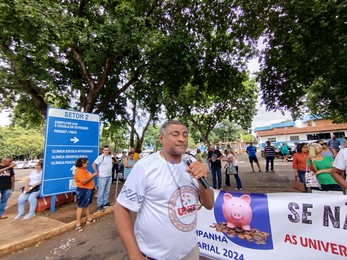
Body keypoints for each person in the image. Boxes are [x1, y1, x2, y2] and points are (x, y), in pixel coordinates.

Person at [114, 120, 214, 260]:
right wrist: (134, 254)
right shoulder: (145, 167)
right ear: (161, 138)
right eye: (175, 134)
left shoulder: (191, 163)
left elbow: (209, 204)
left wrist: (201, 178)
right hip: (154, 256)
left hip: (190, 252)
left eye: (185, 135)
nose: (182, 139)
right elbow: (121, 209)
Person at [74, 158, 99, 232]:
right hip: (83, 190)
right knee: (81, 206)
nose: (87, 164)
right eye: (86, 163)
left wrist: (93, 186)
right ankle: (78, 224)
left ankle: (89, 219)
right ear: (82, 163)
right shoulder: (79, 171)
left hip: (88, 189)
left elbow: (88, 179)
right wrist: (94, 175)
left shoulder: (85, 170)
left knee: (86, 204)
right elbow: (84, 181)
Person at [92, 146, 113, 212]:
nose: (107, 151)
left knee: (107, 190)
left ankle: (105, 202)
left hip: (109, 176)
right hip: (103, 177)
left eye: (108, 150)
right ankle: (99, 205)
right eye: (105, 150)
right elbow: (93, 164)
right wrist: (96, 172)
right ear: (103, 151)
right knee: (101, 191)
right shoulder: (101, 157)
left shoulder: (109, 157)